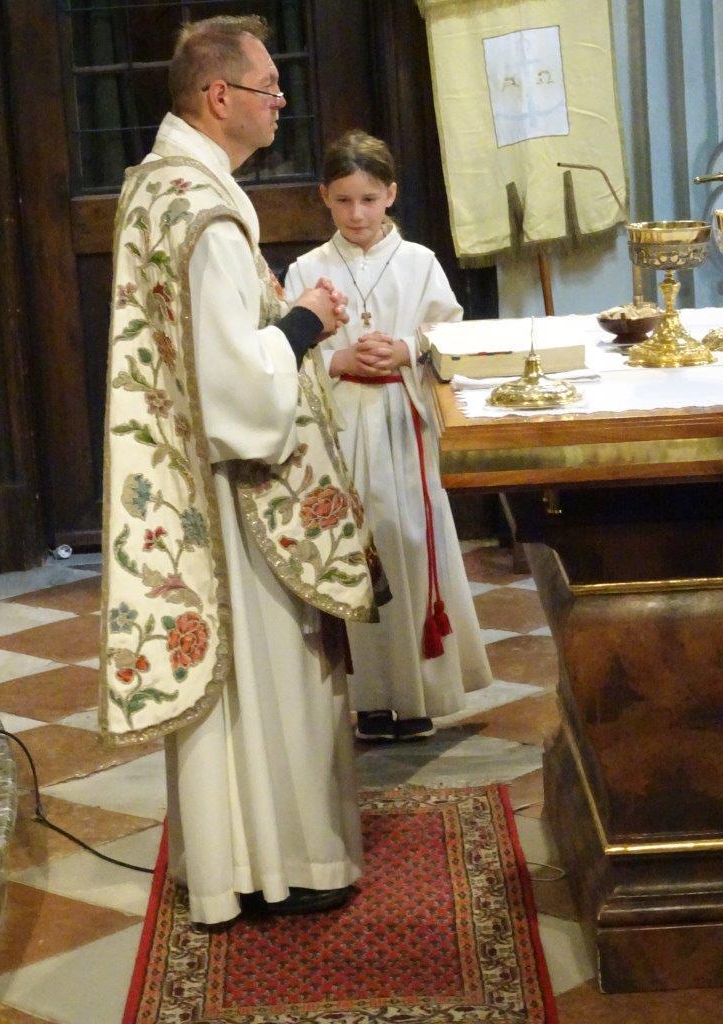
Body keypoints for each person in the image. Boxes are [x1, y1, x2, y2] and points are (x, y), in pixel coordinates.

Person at [100, 18, 386, 925]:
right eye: (267, 87)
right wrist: (305, 323)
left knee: (241, 697)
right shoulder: (206, 214)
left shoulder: (159, 183)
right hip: (237, 495)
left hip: (195, 482)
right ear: (219, 96)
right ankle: (288, 862)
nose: (281, 100)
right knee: (273, 683)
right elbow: (233, 390)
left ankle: (236, 861)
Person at [285, 131, 492, 741]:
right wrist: (338, 360)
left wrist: (405, 349)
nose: (357, 214)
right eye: (344, 200)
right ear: (324, 197)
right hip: (340, 428)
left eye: (369, 200)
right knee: (352, 553)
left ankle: (418, 694)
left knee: (408, 543)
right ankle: (370, 700)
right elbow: (285, 352)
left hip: (403, 421)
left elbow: (450, 337)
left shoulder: (419, 262)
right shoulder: (308, 270)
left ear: (391, 195)